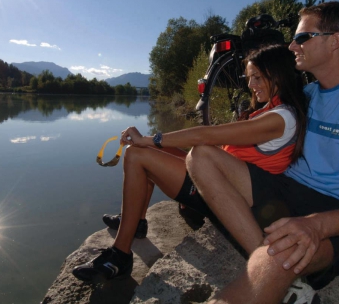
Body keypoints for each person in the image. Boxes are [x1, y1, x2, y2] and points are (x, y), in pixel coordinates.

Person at [187, 1, 339, 304]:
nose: (292, 45)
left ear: (335, 41)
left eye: (303, 37)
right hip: (288, 189)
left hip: (338, 213)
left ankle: (276, 267)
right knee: (200, 156)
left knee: (273, 262)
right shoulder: (306, 95)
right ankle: (269, 257)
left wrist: (315, 225)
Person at [71, 44, 309, 283]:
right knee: (148, 147)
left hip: (226, 194)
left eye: (257, 77)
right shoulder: (274, 110)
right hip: (223, 180)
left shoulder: (281, 118)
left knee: (137, 153)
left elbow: (206, 136)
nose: (250, 85)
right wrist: (152, 141)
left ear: (277, 73)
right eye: (249, 78)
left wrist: (149, 138)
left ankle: (120, 255)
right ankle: (136, 221)